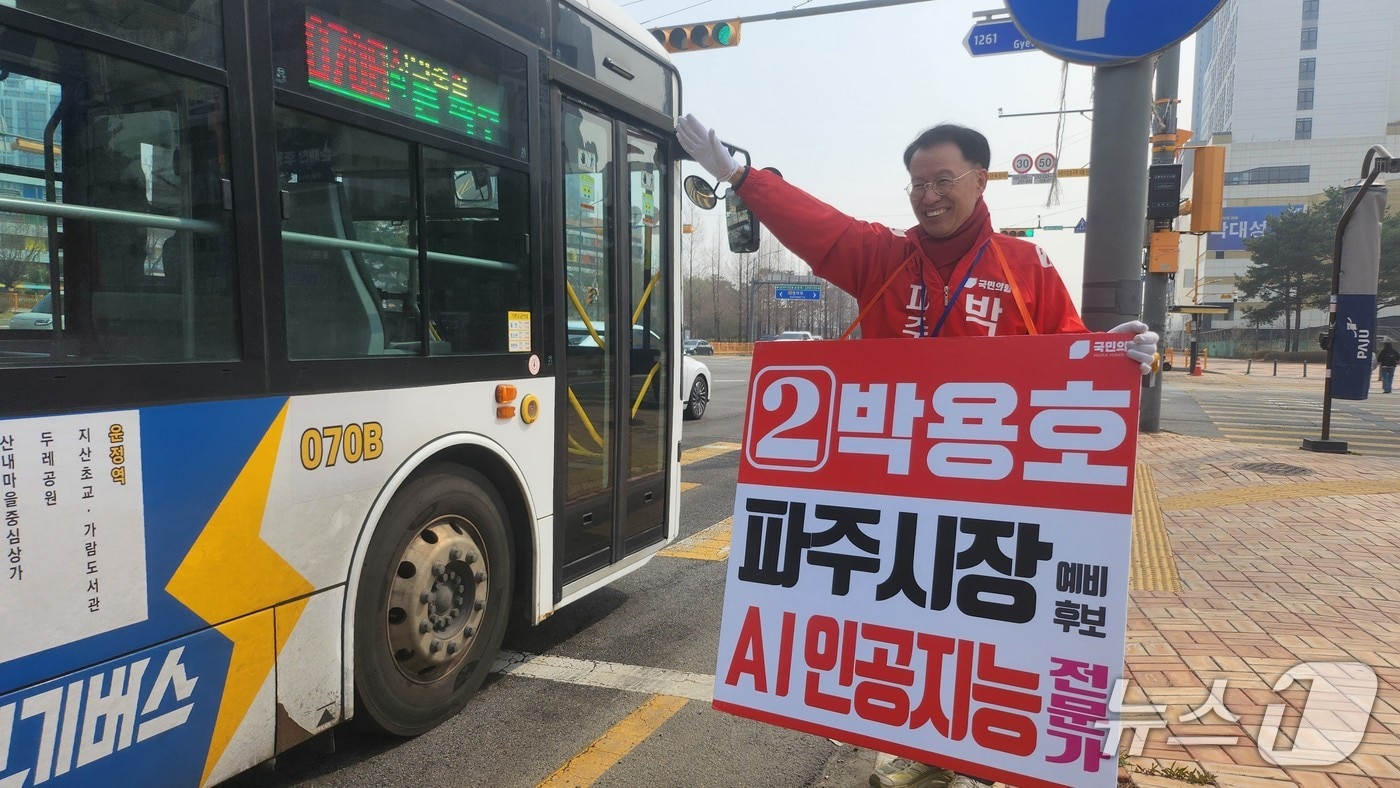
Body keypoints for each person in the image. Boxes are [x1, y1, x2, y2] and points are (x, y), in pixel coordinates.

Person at [678, 115, 1156, 788]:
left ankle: (1001, 751)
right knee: (913, 618)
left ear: (981, 180)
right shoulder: (885, 257)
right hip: (901, 492)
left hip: (1000, 493)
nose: (928, 196)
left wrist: (1120, 358)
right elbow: (822, 227)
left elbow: (1071, 353)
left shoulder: (1026, 265)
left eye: (943, 180)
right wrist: (740, 177)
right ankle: (924, 741)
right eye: (916, 184)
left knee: (997, 615)